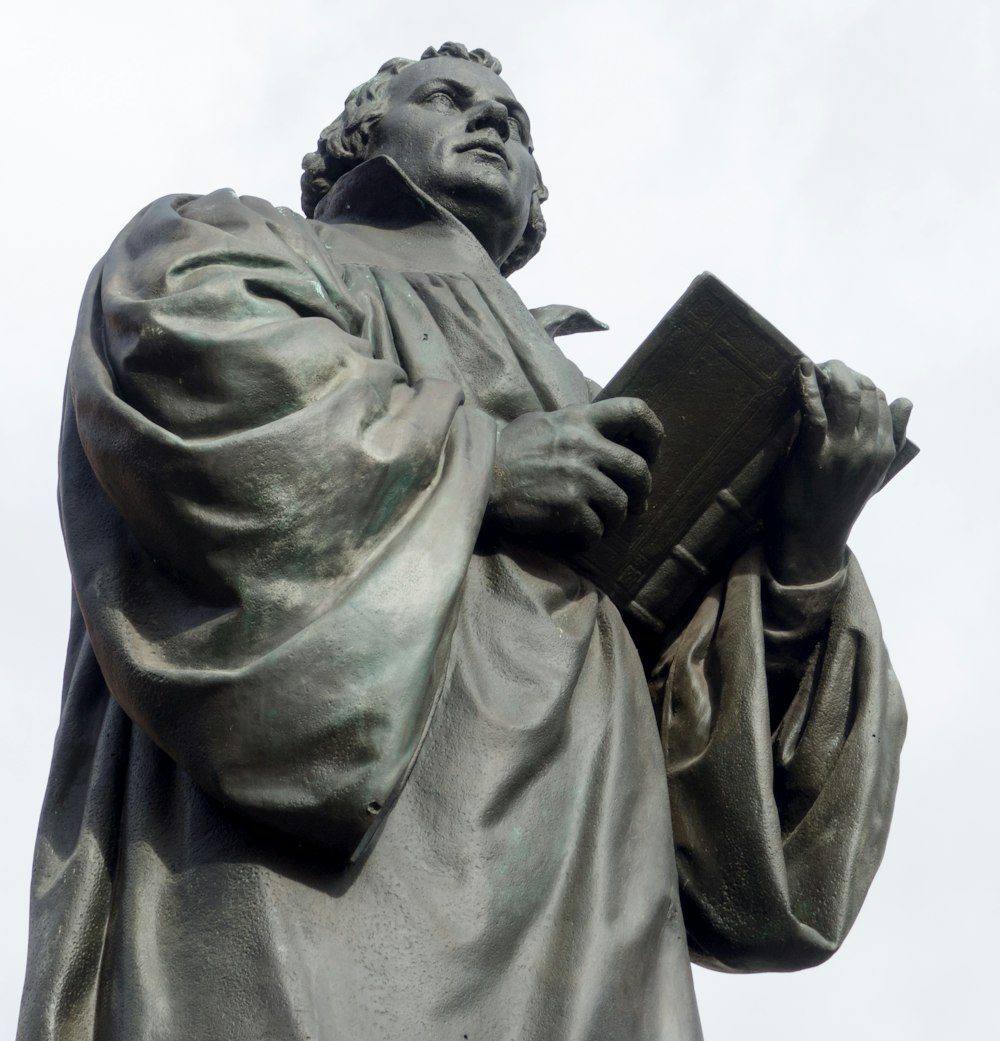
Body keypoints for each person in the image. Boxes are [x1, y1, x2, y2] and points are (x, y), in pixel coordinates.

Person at [18, 42, 907, 1041]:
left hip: (578, 839)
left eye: (516, 125)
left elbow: (729, 832)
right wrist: (479, 459)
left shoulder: (594, 404)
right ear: (361, 137)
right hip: (327, 824)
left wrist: (801, 553)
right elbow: (183, 363)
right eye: (447, 99)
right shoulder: (236, 242)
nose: (491, 123)